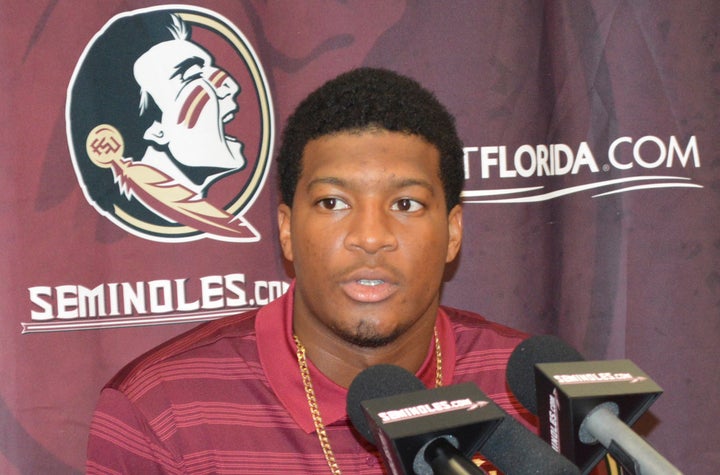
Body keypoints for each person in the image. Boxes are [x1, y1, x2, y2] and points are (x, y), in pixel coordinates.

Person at [86, 67, 617, 474]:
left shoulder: (533, 395)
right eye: (334, 203)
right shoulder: (161, 410)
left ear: (453, 231)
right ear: (287, 230)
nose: (370, 237)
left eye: (406, 205)